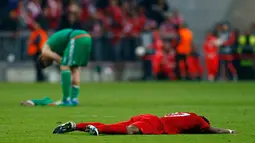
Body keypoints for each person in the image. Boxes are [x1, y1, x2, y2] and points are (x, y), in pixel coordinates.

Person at [22, 28, 92, 106]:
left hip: (76, 38)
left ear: (42, 57)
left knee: (64, 66)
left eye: (47, 63)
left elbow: (60, 60)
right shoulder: (58, 49)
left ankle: (66, 100)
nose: (50, 62)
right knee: (75, 68)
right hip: (86, 37)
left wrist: (63, 63)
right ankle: (74, 99)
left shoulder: (44, 50)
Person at [53, 112, 236, 135]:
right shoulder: (199, 122)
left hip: (149, 116)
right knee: (130, 131)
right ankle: (97, 130)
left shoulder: (187, 114)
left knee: (115, 123)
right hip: (157, 125)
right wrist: (229, 131)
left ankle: (77, 125)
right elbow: (214, 130)